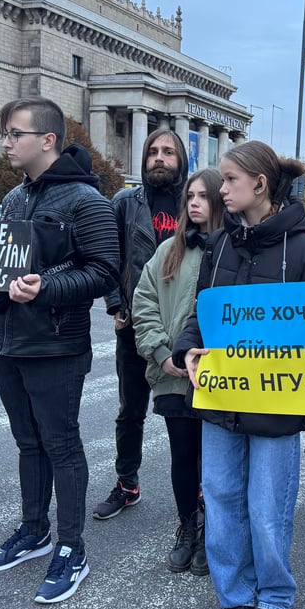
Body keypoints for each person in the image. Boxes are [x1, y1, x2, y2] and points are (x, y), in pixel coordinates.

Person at [172, 141, 305, 609]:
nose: (221, 189)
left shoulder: (304, 250)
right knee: (221, 500)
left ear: (259, 184)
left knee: (268, 507)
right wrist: (189, 348)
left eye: (230, 180)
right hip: (220, 402)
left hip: (277, 408)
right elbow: (201, 312)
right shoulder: (218, 245)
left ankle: (275, 597)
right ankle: (234, 593)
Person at [0, 97, 118, 604]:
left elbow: (104, 272)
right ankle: (34, 532)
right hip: (7, 344)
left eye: (15, 133)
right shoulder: (13, 200)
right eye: (5, 133)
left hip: (56, 346)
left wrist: (46, 289)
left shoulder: (86, 202)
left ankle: (72, 548)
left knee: (61, 444)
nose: (6, 142)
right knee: (28, 444)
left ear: (47, 140)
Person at [131, 168, 225, 576]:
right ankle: (188, 526)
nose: (193, 202)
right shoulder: (168, 249)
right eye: (190, 195)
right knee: (183, 456)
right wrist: (162, 351)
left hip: (218, 378)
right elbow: (144, 301)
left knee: (216, 461)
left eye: (203, 196)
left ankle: (212, 531)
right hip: (172, 373)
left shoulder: (231, 249)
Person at [94, 128, 188, 520]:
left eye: (168, 152)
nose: (159, 158)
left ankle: (195, 489)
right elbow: (109, 257)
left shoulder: (196, 200)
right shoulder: (125, 202)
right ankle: (126, 483)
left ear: (181, 160)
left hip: (185, 326)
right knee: (130, 411)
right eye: (153, 151)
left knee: (185, 413)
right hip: (135, 324)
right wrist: (116, 305)